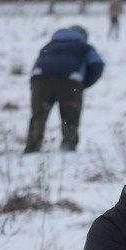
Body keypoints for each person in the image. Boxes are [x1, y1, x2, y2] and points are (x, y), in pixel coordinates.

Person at [24, 25, 104, 154]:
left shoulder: (50, 45)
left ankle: (32, 147)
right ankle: (68, 147)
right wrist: (84, 83)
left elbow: (37, 63)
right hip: (69, 81)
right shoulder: (84, 47)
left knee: (38, 115)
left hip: (41, 78)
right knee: (70, 116)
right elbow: (97, 64)